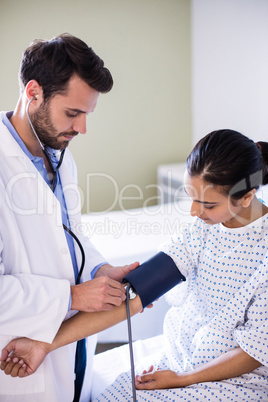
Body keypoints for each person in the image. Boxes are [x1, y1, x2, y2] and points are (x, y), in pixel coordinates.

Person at [2, 129, 268, 402]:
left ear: (246, 197)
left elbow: (254, 353)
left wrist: (183, 380)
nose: (193, 212)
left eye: (208, 205)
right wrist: (45, 344)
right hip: (180, 362)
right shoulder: (201, 231)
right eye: (192, 198)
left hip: (233, 381)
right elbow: (134, 295)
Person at [0, 33, 139, 402]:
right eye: (72, 113)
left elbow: (69, 238)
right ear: (34, 92)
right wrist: (73, 296)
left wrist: (98, 270)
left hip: (70, 352)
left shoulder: (61, 158)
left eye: (87, 114)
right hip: (17, 358)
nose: (81, 129)